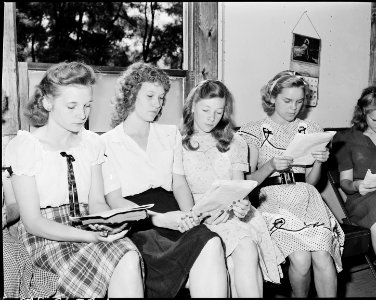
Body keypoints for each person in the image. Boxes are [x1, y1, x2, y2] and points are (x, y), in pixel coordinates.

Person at [4, 62, 144, 298]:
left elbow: (97, 203)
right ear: (48, 102)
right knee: (122, 258)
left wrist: (105, 223)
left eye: (87, 105)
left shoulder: (91, 144)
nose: (82, 114)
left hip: (85, 226)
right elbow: (33, 222)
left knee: (128, 254)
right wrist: (89, 236)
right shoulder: (26, 147)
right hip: (45, 239)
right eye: (71, 106)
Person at [101, 62, 228, 298]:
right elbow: (115, 200)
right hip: (138, 222)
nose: (157, 103)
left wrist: (192, 216)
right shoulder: (106, 143)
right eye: (150, 95)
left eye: (161, 97)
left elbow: (179, 184)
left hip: (174, 213)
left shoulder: (169, 134)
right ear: (130, 95)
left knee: (210, 242)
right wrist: (159, 220)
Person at [238, 70, 345, 298]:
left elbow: (311, 182)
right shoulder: (253, 131)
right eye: (287, 101)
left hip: (307, 201)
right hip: (272, 204)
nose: (293, 107)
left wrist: (319, 162)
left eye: (299, 101)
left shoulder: (312, 130)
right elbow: (245, 182)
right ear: (272, 97)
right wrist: (270, 166)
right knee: (300, 258)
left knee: (323, 254)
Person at [180, 79, 285, 297]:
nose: (212, 118)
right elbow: (178, 188)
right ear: (192, 106)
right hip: (197, 214)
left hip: (232, 213)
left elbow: (239, 189)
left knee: (245, 246)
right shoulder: (178, 142)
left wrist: (241, 206)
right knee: (238, 251)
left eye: (219, 112)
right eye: (206, 110)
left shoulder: (235, 142)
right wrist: (199, 215)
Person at [2, 89, 58, 298]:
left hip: (6, 234)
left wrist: (6, 214)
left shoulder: (7, 150)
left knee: (9, 264)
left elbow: (14, 205)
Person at [333, 86, 376, 289]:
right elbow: (346, 184)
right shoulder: (348, 139)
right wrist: (357, 184)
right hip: (360, 197)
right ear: (363, 114)